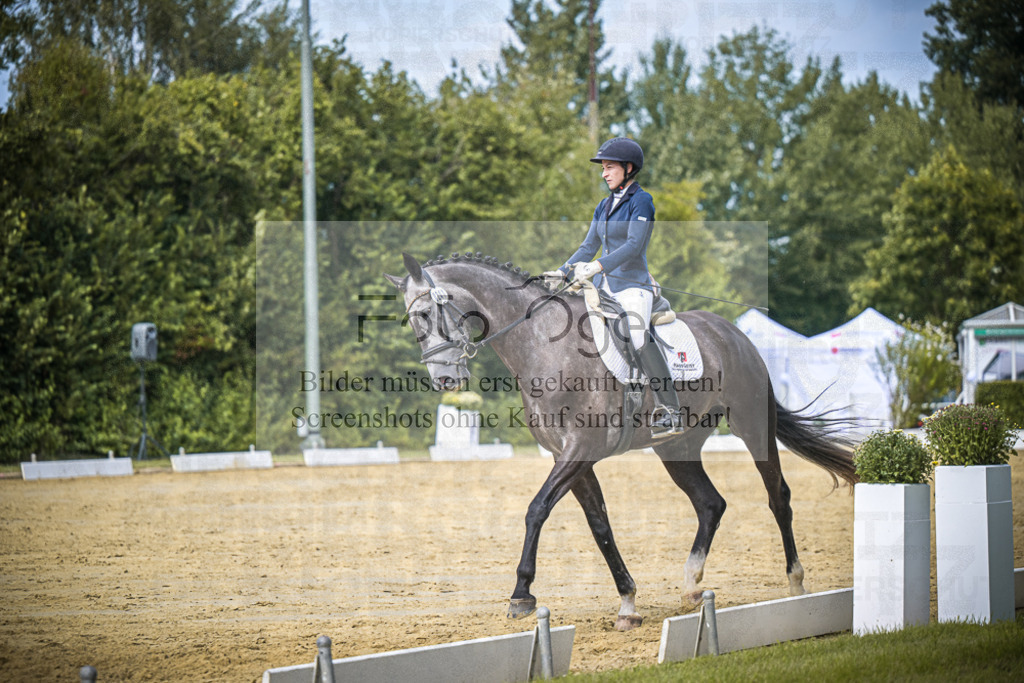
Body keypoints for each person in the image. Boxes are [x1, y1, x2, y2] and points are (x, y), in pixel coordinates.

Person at [543, 137, 682, 437]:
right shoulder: (603, 206)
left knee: (636, 334)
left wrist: (598, 266)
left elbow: (634, 245)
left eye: (609, 168)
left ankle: (670, 410)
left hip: (633, 286)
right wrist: (562, 270)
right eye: (603, 169)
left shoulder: (641, 201)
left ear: (628, 169)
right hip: (603, 287)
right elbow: (589, 245)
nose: (604, 174)